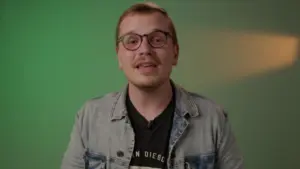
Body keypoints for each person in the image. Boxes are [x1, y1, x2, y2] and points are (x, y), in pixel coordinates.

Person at [61, 2, 244, 169]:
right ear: (119, 56)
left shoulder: (213, 119)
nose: (145, 49)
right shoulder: (90, 117)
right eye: (132, 41)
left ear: (175, 52)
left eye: (157, 39)